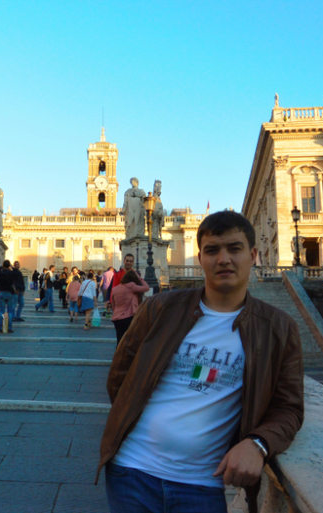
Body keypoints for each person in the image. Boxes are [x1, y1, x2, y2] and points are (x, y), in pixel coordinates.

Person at [98, 211, 304, 513]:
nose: (223, 259)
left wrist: (258, 443)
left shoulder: (278, 328)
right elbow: (120, 375)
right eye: (212, 250)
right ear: (200, 258)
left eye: (234, 248)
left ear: (253, 255)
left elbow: (289, 407)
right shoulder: (160, 308)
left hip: (202, 484)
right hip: (131, 471)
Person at [109, 270, 149, 346]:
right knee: (130, 340)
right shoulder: (131, 286)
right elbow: (147, 288)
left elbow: (113, 306)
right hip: (129, 317)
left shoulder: (115, 289)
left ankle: (119, 353)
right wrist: (140, 279)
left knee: (120, 340)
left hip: (117, 318)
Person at [0, 260, 17, 334]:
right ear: (9, 265)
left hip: (2, 293)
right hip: (9, 293)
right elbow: (16, 272)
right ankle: (9, 328)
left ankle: (1, 328)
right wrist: (11, 266)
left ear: (3, 265)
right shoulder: (11, 273)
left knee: (1, 311)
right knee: (10, 311)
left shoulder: (0, 273)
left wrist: (1, 266)